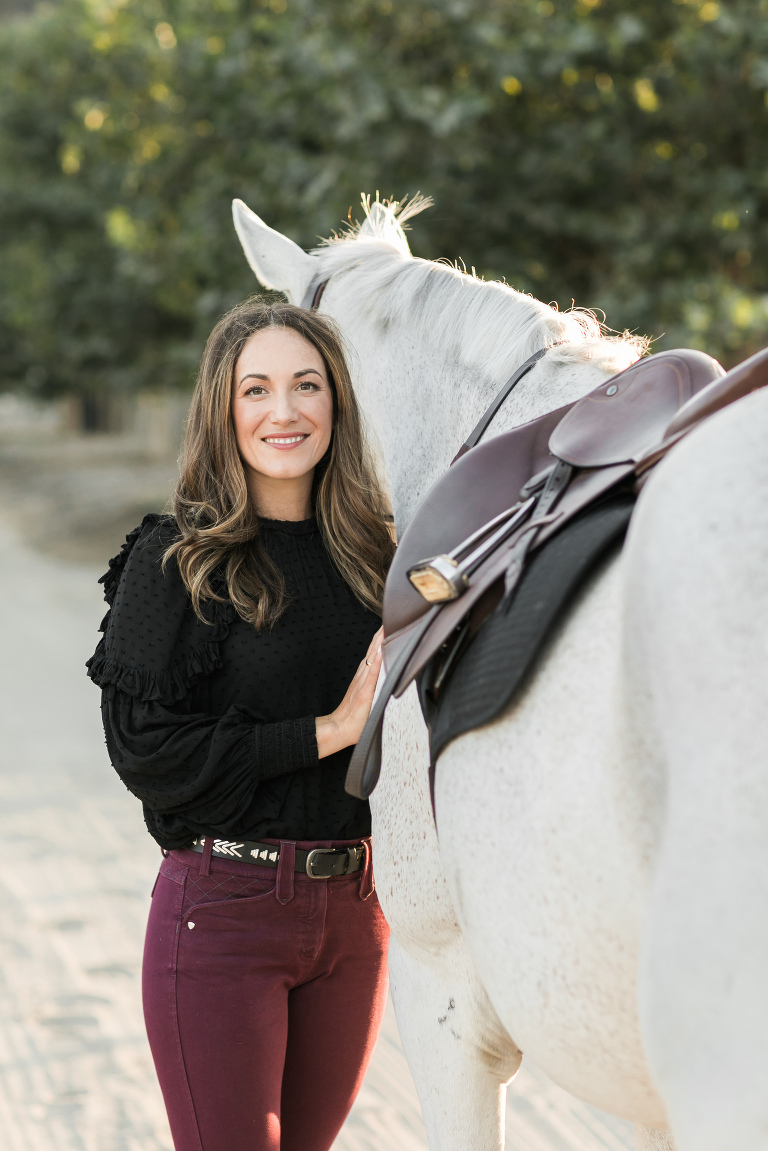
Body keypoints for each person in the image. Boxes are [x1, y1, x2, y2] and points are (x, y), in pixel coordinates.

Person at [86, 298, 396, 1151]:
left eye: (306, 384)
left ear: (337, 399)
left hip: (357, 916)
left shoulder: (378, 557)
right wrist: (329, 730)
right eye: (255, 389)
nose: (283, 410)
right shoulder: (177, 559)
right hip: (224, 915)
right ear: (222, 409)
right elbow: (148, 751)